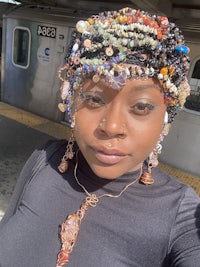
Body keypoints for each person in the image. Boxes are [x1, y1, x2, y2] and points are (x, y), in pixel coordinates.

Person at [0, 6, 199, 267]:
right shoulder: (44, 160)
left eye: (141, 107)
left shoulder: (182, 216)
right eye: (94, 98)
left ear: (166, 117)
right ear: (71, 101)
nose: (112, 126)